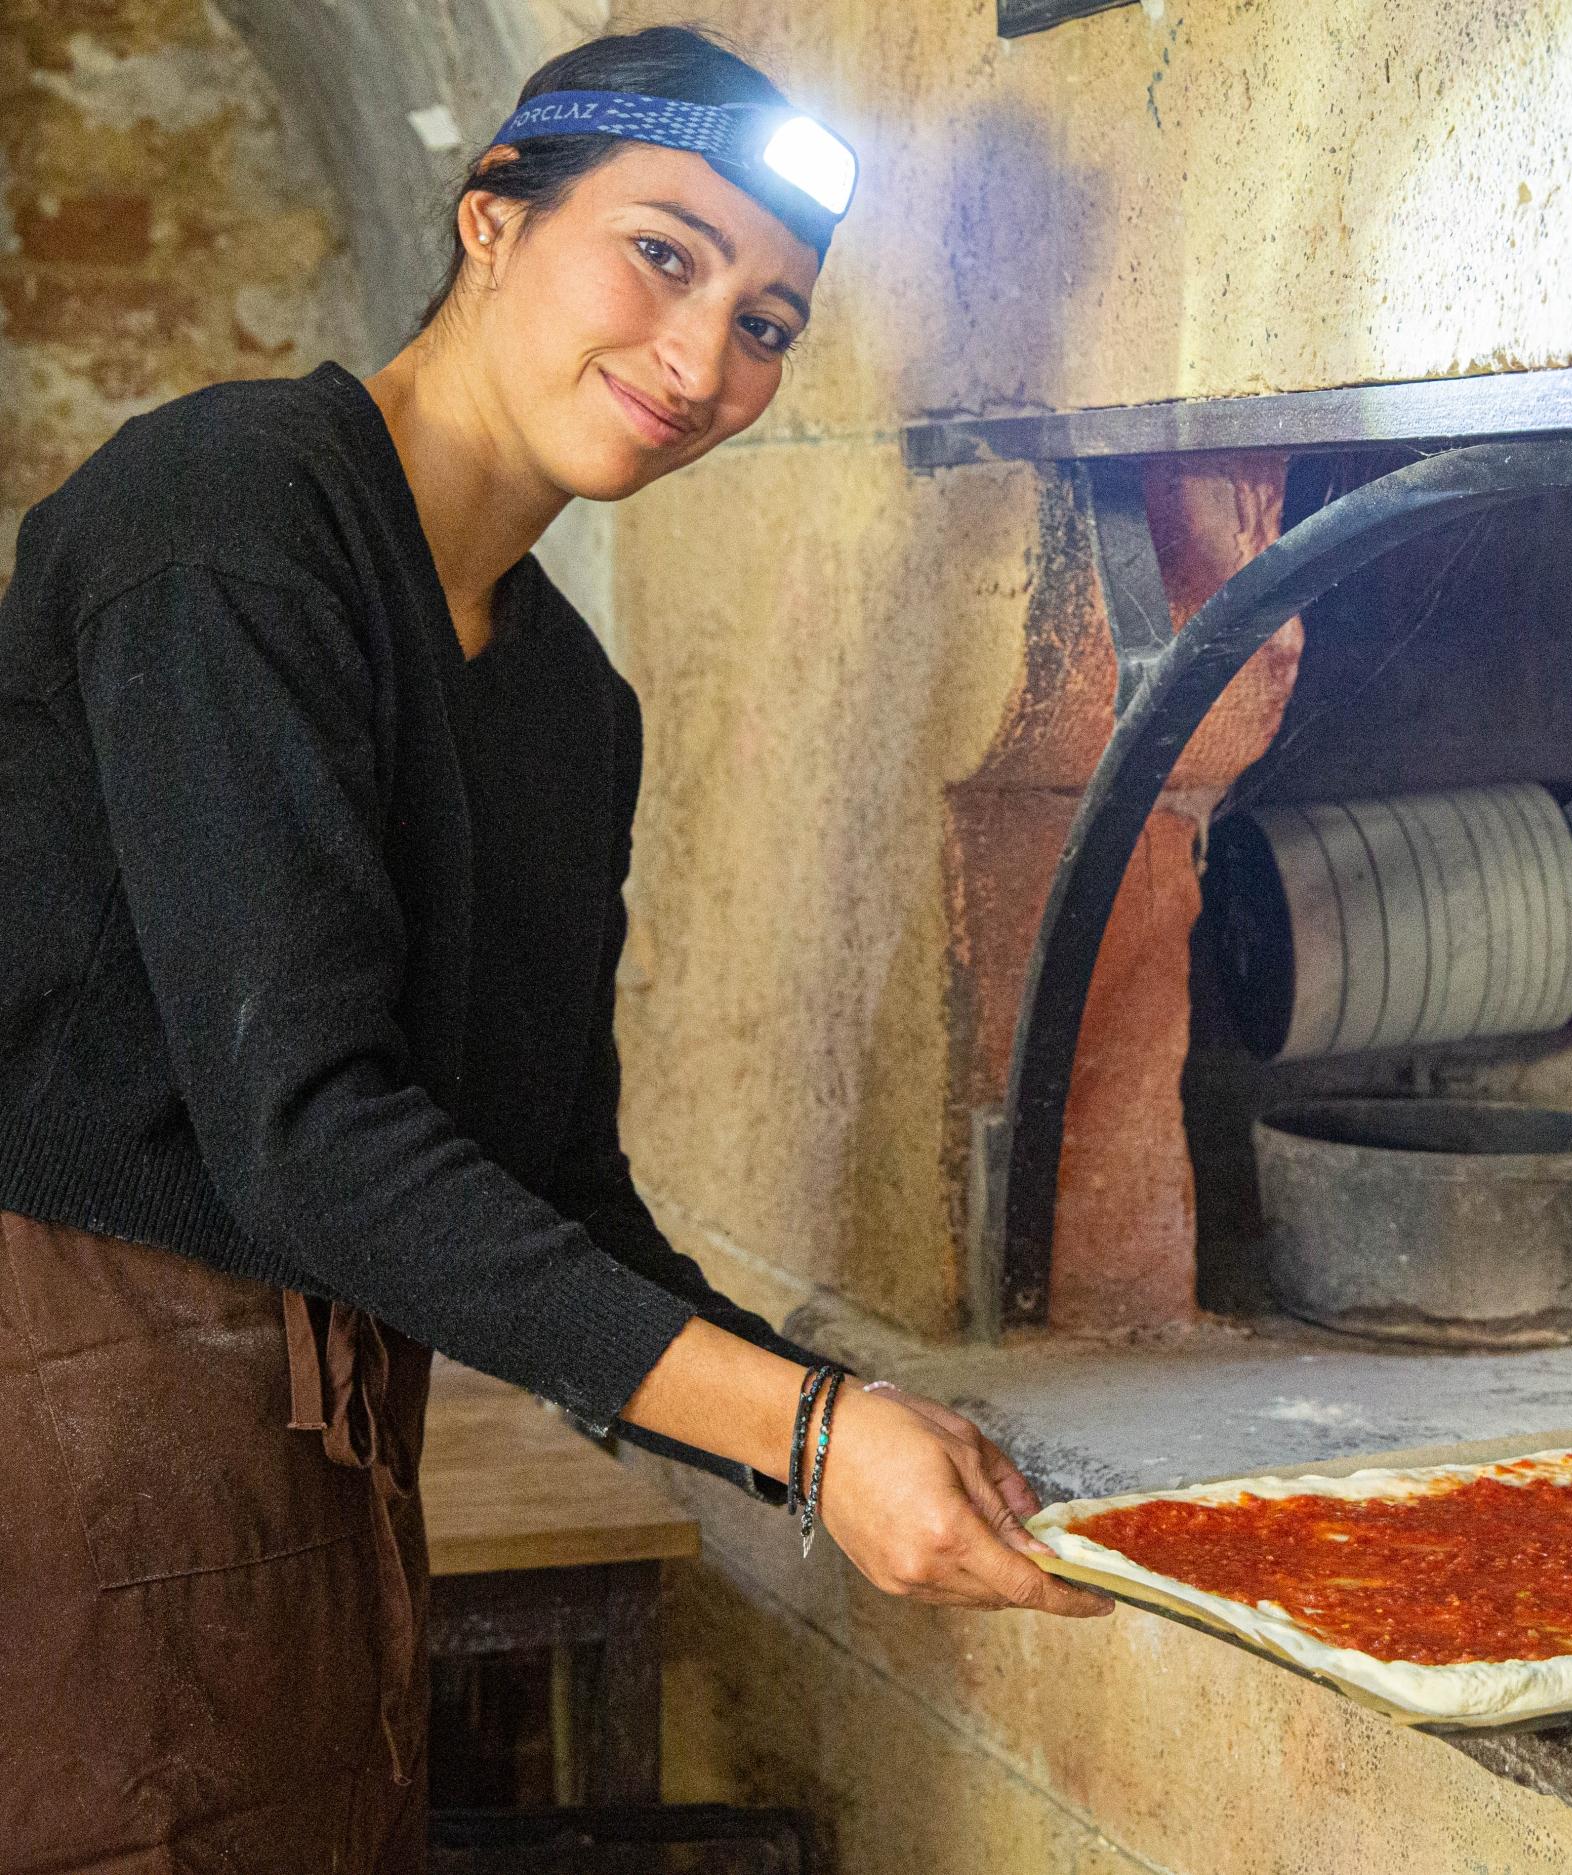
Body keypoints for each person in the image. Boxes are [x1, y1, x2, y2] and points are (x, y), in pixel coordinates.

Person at [0, 24, 1105, 1870]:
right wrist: (808, 1433)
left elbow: (558, 1186)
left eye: (768, 321)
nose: (706, 357)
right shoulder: (229, 514)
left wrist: (848, 1424)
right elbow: (305, 1139)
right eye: (663, 253)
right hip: (60, 1429)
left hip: (320, 1460)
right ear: (493, 218)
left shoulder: (572, 708)